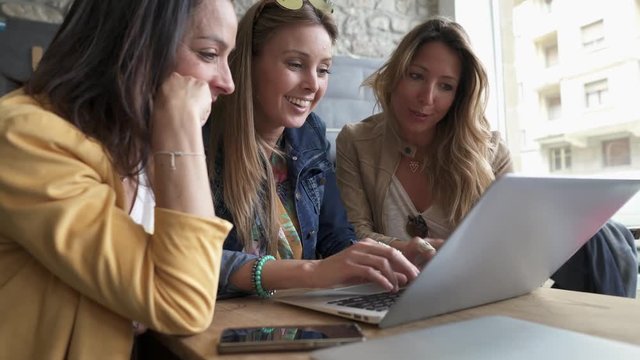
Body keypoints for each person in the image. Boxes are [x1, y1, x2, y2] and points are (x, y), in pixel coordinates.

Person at [0, 0, 237, 358]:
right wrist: (181, 130)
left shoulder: (131, 143)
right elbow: (184, 302)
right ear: (135, 43)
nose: (228, 82)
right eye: (208, 54)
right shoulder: (27, 138)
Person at [336, 17, 638, 296]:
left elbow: (514, 243)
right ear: (396, 75)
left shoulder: (489, 150)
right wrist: (411, 249)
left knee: (599, 237)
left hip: (478, 296)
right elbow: (354, 235)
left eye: (446, 86)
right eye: (416, 76)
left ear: (460, 95)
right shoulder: (356, 142)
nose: (427, 98)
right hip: (395, 293)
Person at [208, 0, 419, 299]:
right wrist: (312, 272)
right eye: (295, 64)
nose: (312, 85)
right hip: (223, 324)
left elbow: (336, 238)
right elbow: (190, 261)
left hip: (294, 317)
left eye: (323, 70)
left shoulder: (309, 134)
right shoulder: (200, 137)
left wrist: (390, 255)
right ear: (247, 62)